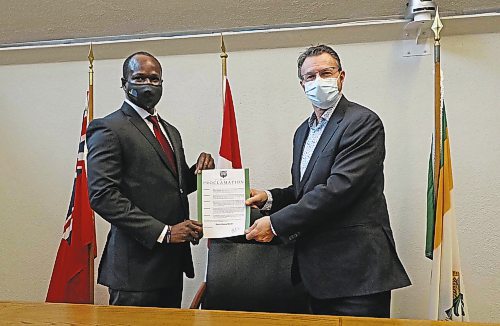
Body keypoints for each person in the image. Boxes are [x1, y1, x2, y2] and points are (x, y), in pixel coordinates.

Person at [245, 45, 410, 317]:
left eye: (326, 72)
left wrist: (275, 224)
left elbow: (338, 190)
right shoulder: (303, 132)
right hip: (315, 276)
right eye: (310, 76)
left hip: (357, 275)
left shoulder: (362, 122)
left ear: (341, 77)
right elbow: (305, 191)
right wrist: (269, 198)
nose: (318, 81)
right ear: (302, 84)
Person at [86, 51, 214, 308]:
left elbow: (170, 187)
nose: (148, 85)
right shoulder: (108, 128)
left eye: (155, 79)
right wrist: (164, 233)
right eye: (139, 78)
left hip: (171, 266)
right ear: (124, 83)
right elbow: (102, 196)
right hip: (135, 270)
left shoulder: (170, 131)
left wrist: (197, 173)